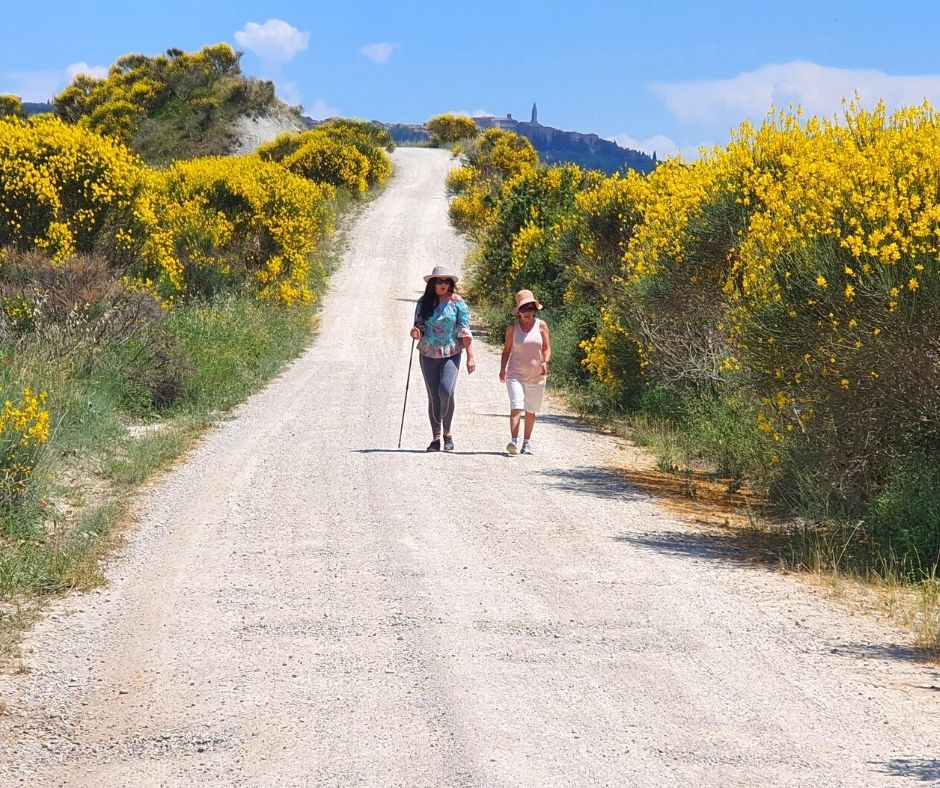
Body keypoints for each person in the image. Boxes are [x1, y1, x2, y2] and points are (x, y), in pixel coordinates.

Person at [409, 265, 476, 452]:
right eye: (439, 281)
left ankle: (448, 432)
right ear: (433, 283)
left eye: (447, 281)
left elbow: (465, 330)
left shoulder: (457, 302)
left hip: (451, 352)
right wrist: (416, 332)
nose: (443, 284)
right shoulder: (424, 303)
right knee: (433, 395)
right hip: (428, 353)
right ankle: (436, 437)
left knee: (446, 391)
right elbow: (419, 325)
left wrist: (471, 357)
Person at [499, 289, 551, 455]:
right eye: (524, 309)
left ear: (535, 310)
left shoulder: (541, 325)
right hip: (515, 373)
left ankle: (526, 443)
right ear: (518, 312)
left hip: (536, 375)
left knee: (530, 409)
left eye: (531, 309)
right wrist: (502, 369)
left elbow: (547, 348)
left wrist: (545, 361)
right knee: (517, 406)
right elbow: (506, 350)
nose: (528, 312)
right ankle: (513, 441)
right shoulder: (512, 329)